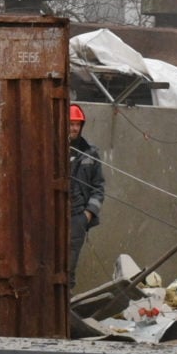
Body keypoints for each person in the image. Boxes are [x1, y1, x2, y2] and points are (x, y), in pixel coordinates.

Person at [68, 103, 105, 283]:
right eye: (70, 123)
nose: (74, 128)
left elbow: (98, 187)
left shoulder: (90, 153)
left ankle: (65, 306)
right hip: (52, 219)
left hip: (77, 217)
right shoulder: (50, 150)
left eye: (77, 124)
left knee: (69, 268)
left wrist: (88, 214)